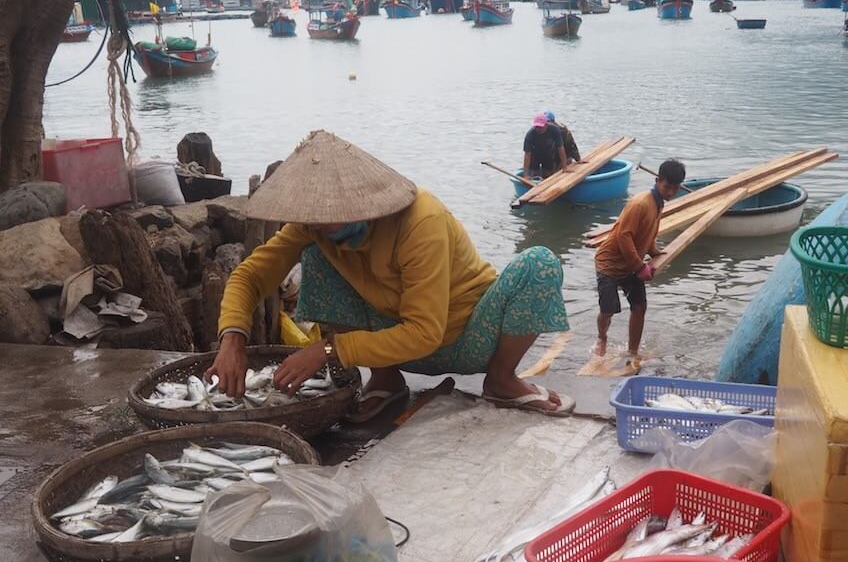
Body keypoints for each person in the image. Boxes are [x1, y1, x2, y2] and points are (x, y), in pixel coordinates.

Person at [208, 130, 575, 421]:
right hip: (395, 346)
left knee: (540, 262)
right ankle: (385, 379)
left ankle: (502, 379)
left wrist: (329, 349)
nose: (313, 227)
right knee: (315, 257)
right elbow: (250, 276)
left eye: (323, 218)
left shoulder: (422, 221)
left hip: (467, 339)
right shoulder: (314, 228)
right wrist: (233, 338)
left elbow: (426, 332)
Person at [593, 158, 686, 359]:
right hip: (610, 264)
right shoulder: (640, 204)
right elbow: (623, 236)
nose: (671, 192)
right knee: (608, 310)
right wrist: (639, 266)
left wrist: (653, 251)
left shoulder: (658, 204)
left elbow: (647, 232)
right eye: (667, 187)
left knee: (639, 307)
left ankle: (632, 351)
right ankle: (602, 337)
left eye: (675, 188)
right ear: (657, 180)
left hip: (631, 262)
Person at [522, 112, 568, 178]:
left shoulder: (554, 130)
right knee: (533, 173)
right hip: (534, 155)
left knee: (548, 174)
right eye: (536, 127)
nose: (538, 129)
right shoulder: (530, 134)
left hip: (548, 153)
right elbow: (527, 154)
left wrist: (565, 167)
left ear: (546, 125)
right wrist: (525, 174)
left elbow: (560, 148)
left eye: (541, 127)